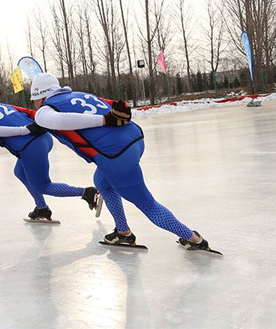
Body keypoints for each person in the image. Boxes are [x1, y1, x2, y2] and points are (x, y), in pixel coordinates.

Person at [26, 72, 212, 251]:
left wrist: (104, 120)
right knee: (101, 181)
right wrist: (112, 116)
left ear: (40, 96)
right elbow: (119, 108)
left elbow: (61, 120)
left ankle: (194, 239)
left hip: (116, 155)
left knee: (148, 204)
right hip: (135, 140)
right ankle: (123, 231)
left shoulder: (44, 111)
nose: (33, 104)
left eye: (33, 99)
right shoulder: (78, 95)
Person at [0, 91, 101, 222]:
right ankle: (41, 208)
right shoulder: (0, 105)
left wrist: (23, 131)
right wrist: (40, 123)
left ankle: (87, 192)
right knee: (19, 172)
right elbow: (30, 112)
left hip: (31, 147)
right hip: (43, 138)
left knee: (43, 186)